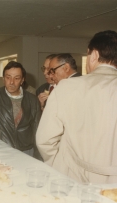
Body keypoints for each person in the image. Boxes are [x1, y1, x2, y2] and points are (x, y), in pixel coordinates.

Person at [36, 30, 117, 184]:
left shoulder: (67, 87)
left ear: (93, 55)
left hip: (74, 175)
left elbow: (44, 140)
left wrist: (59, 165)